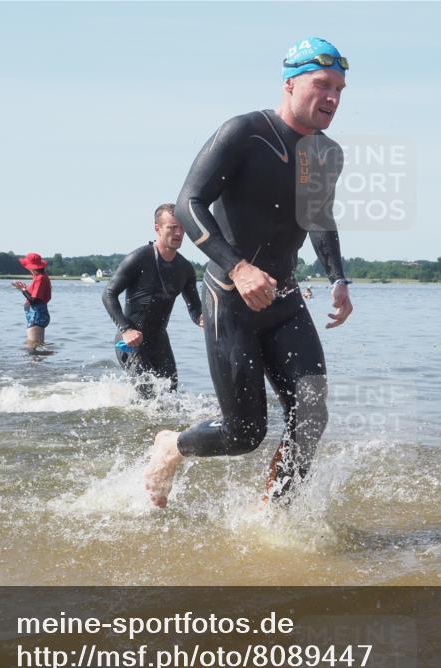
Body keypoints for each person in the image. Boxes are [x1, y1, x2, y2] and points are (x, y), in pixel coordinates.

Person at [143, 36, 353, 508]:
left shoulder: (327, 154)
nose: (333, 98)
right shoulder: (244, 133)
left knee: (312, 415)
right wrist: (237, 268)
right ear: (290, 83)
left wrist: (338, 279)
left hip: (284, 299)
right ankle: (171, 447)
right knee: (244, 433)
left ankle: (273, 517)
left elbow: (318, 218)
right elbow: (188, 203)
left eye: (340, 89)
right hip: (230, 298)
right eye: (322, 85)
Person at [102, 204, 203, 396]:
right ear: (157, 228)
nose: (178, 233)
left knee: (170, 395)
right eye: (172, 227)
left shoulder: (185, 269)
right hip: (131, 341)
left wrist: (202, 319)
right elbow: (108, 294)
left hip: (159, 340)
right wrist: (126, 329)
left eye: (182, 227)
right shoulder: (139, 258)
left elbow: (194, 306)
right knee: (147, 394)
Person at [12, 252, 52, 347]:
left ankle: (35, 361)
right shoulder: (40, 277)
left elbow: (34, 300)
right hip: (37, 314)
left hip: (36, 315)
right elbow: (36, 296)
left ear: (31, 267)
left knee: (33, 346)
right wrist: (24, 288)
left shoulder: (40, 278)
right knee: (36, 346)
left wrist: (22, 289)